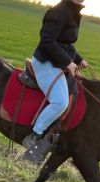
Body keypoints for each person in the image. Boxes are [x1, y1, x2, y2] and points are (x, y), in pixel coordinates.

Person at [22, 0, 88, 149]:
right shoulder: (58, 12)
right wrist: (67, 62)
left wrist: (78, 59)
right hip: (45, 62)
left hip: (56, 62)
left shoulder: (72, 11)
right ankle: (34, 136)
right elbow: (47, 41)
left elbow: (64, 42)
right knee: (60, 102)